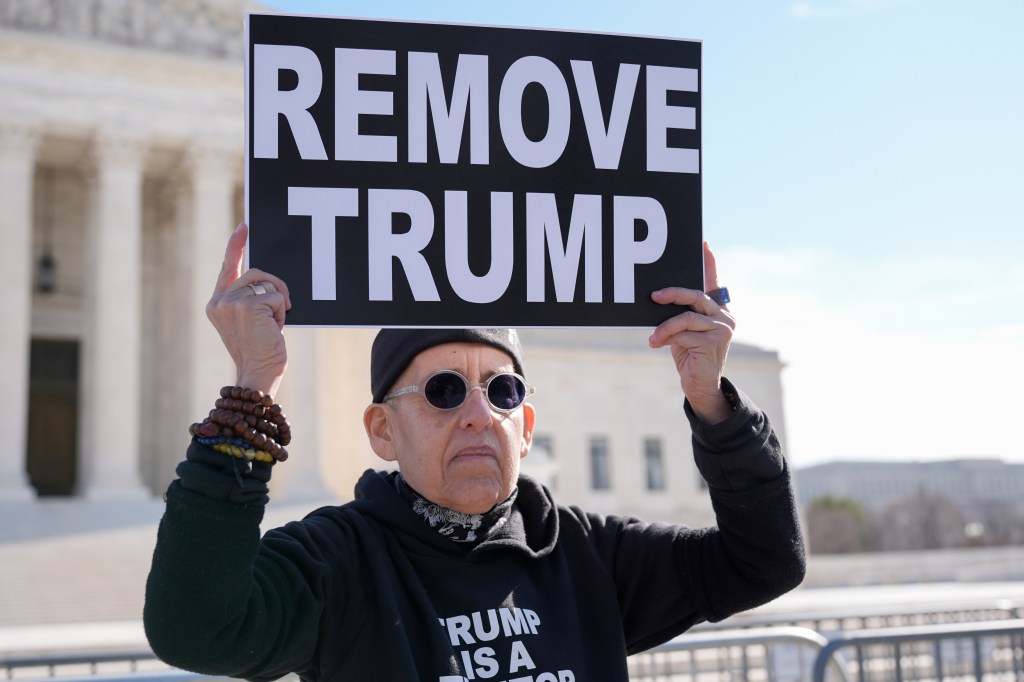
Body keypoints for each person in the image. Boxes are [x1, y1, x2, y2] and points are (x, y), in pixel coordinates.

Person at [144, 223, 805, 682]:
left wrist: (711, 399)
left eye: (503, 391)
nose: (477, 414)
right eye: (443, 390)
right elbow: (195, 627)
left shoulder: (585, 554)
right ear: (381, 430)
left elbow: (765, 561)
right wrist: (251, 388)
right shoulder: (339, 562)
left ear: (526, 428)